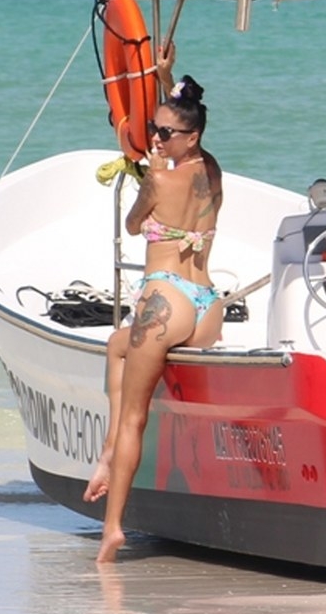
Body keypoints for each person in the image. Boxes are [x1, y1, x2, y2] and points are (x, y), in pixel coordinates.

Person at [83, 72, 224, 563]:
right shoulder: (213, 169)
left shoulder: (158, 178)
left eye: (165, 133)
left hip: (166, 302)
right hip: (207, 308)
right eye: (154, 129)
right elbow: (183, 110)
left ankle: (114, 528)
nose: (157, 138)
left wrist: (150, 170)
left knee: (133, 420)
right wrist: (166, 74)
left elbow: (133, 223)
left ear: (191, 137)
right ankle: (104, 454)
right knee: (117, 345)